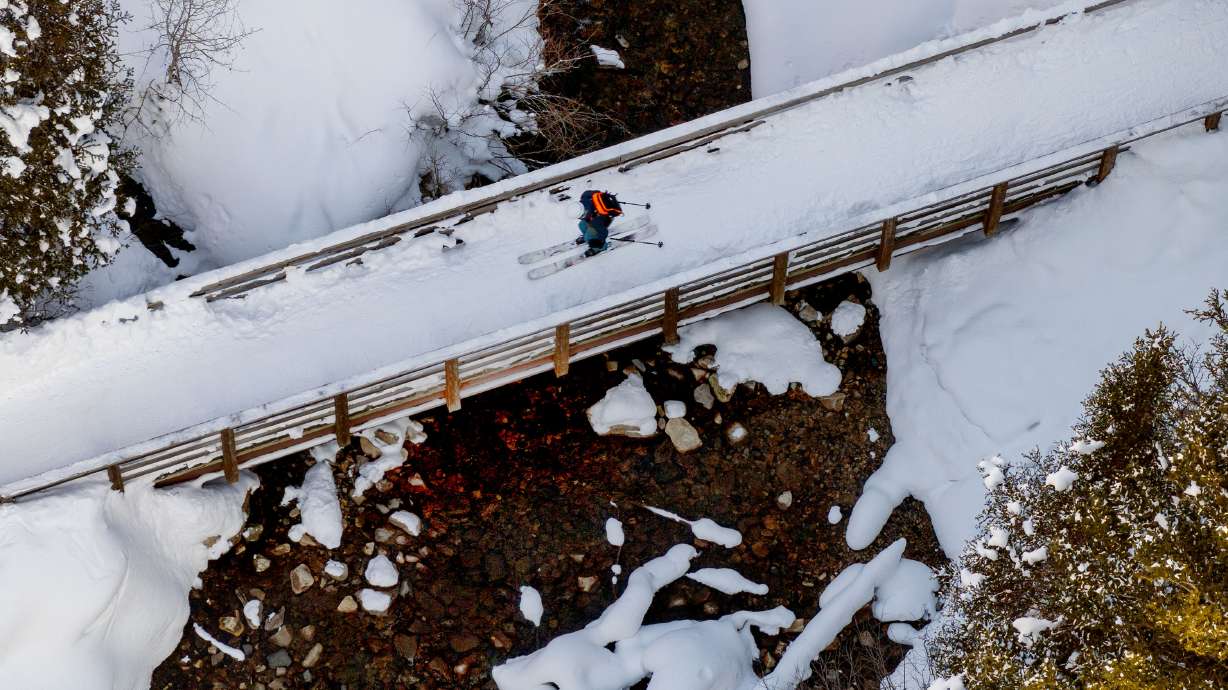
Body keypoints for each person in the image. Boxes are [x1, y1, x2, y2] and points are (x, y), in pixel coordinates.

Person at [576, 190, 623, 256]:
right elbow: (588, 193)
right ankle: (587, 237)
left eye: (581, 216)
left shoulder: (596, 219)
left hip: (604, 220)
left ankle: (601, 247)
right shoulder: (585, 200)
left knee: (588, 236)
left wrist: (599, 242)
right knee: (581, 225)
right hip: (595, 217)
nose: (581, 218)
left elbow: (604, 232)